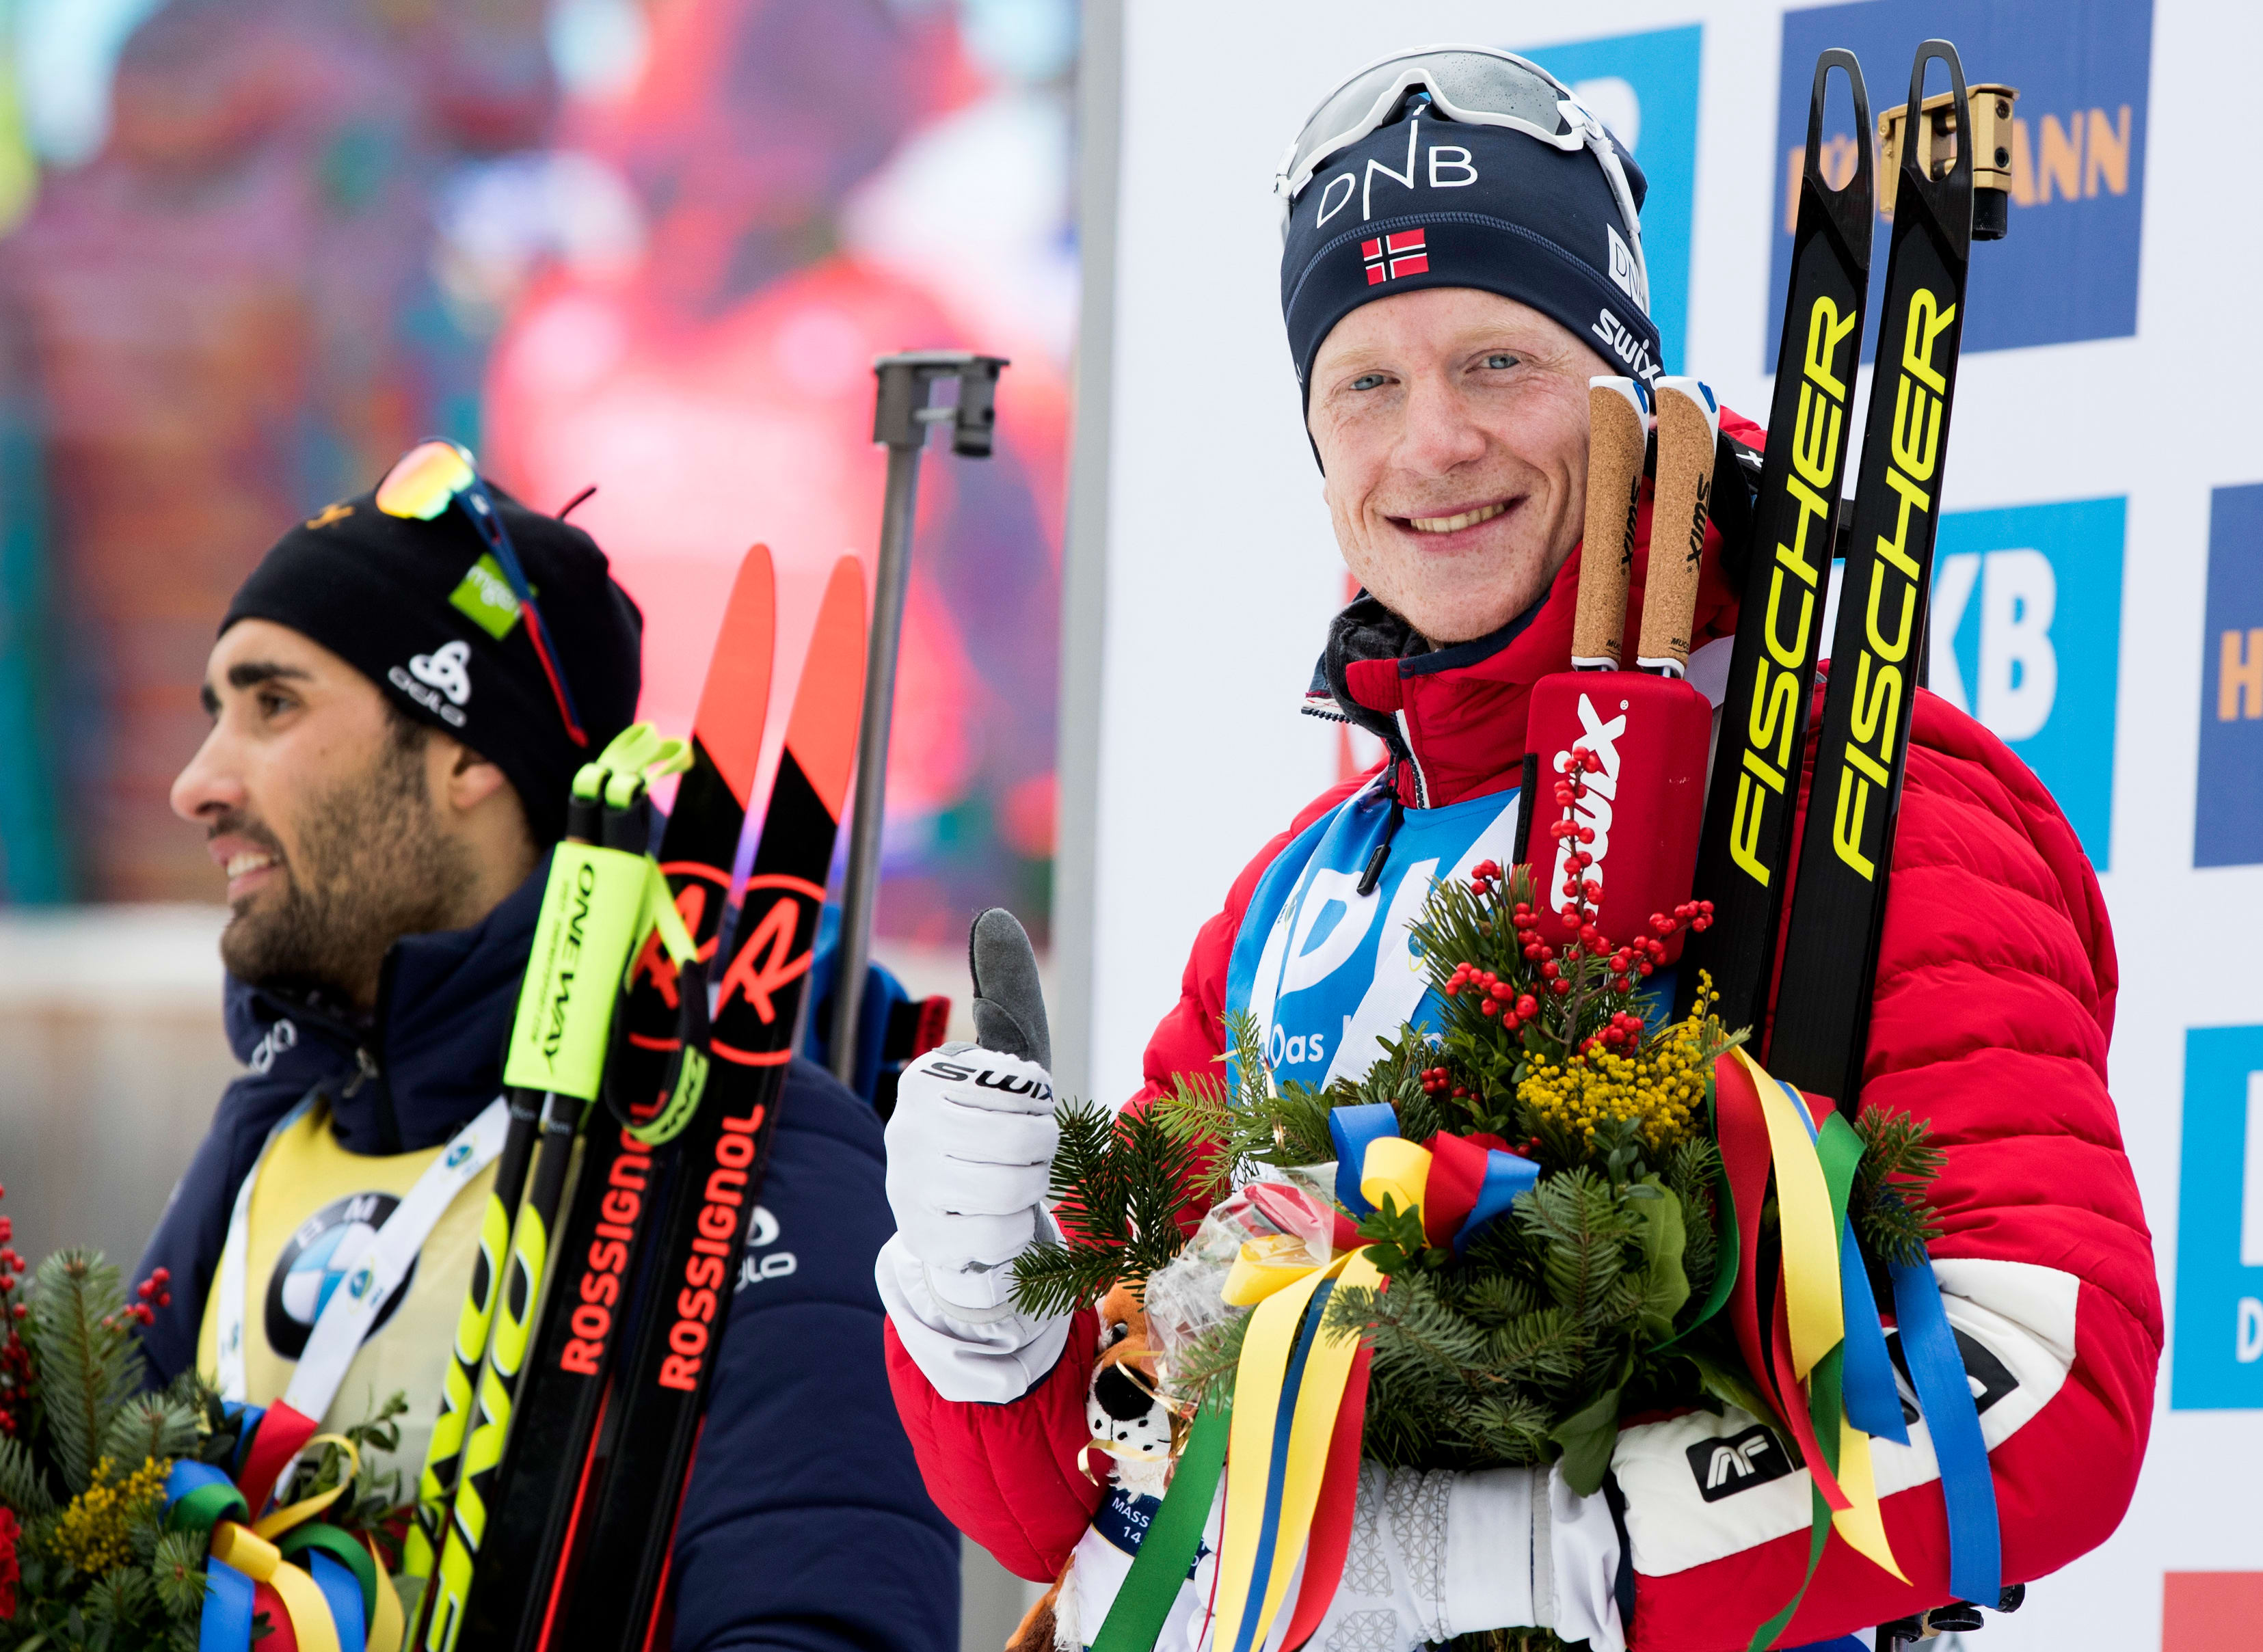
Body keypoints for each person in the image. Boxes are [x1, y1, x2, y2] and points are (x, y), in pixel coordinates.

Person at [874, 46, 2156, 1652]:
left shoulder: (1848, 791)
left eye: (1497, 362)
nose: (1433, 443)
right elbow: (1069, 1506)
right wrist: (974, 1297)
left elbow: (2043, 1379)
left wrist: (1542, 1558)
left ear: (1624, 398)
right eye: (1363, 384)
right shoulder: (1291, 896)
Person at [135, 450, 960, 1651]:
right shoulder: (266, 1130)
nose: (196, 782)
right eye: (217, 711)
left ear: (470, 753)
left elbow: (822, 1619)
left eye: (274, 704)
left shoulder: (756, 1148)